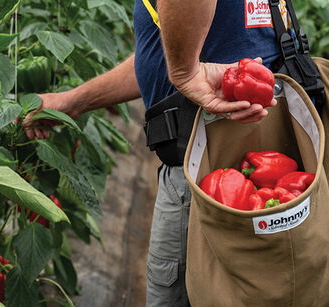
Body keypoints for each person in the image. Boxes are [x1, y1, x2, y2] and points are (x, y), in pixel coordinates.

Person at [23, 0, 288, 305]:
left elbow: (183, 68)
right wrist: (72, 101)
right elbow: (162, 57)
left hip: (208, 163)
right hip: (260, 149)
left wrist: (185, 74)